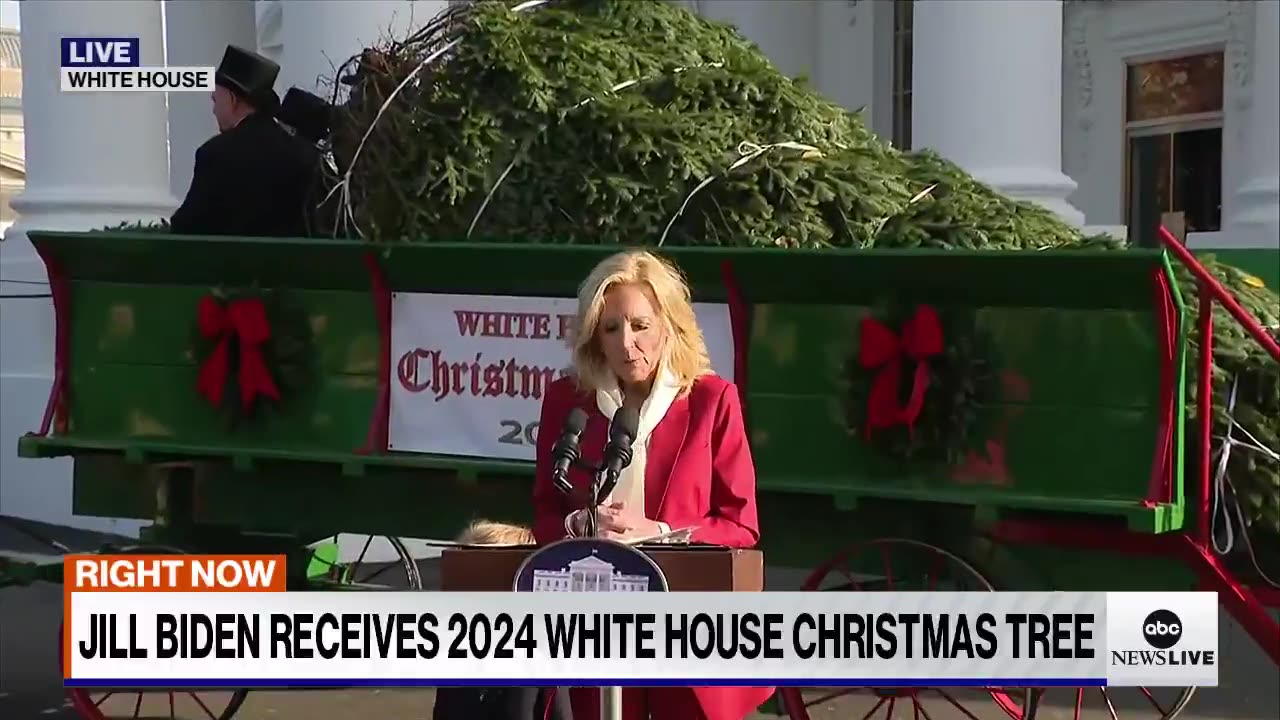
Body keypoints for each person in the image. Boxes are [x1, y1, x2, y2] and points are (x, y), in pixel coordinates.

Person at [531, 249, 773, 720]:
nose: (627, 344)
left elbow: (740, 526)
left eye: (641, 326)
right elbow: (544, 510)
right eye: (611, 328)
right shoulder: (567, 400)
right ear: (594, 337)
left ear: (668, 325)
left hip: (686, 639)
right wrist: (578, 521)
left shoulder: (712, 400)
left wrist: (661, 533)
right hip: (590, 631)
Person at [169, 46, 316, 238]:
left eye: (215, 101)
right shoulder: (305, 154)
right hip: (292, 267)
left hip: (227, 266)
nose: (213, 111)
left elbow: (186, 226)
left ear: (232, 99)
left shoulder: (215, 153)